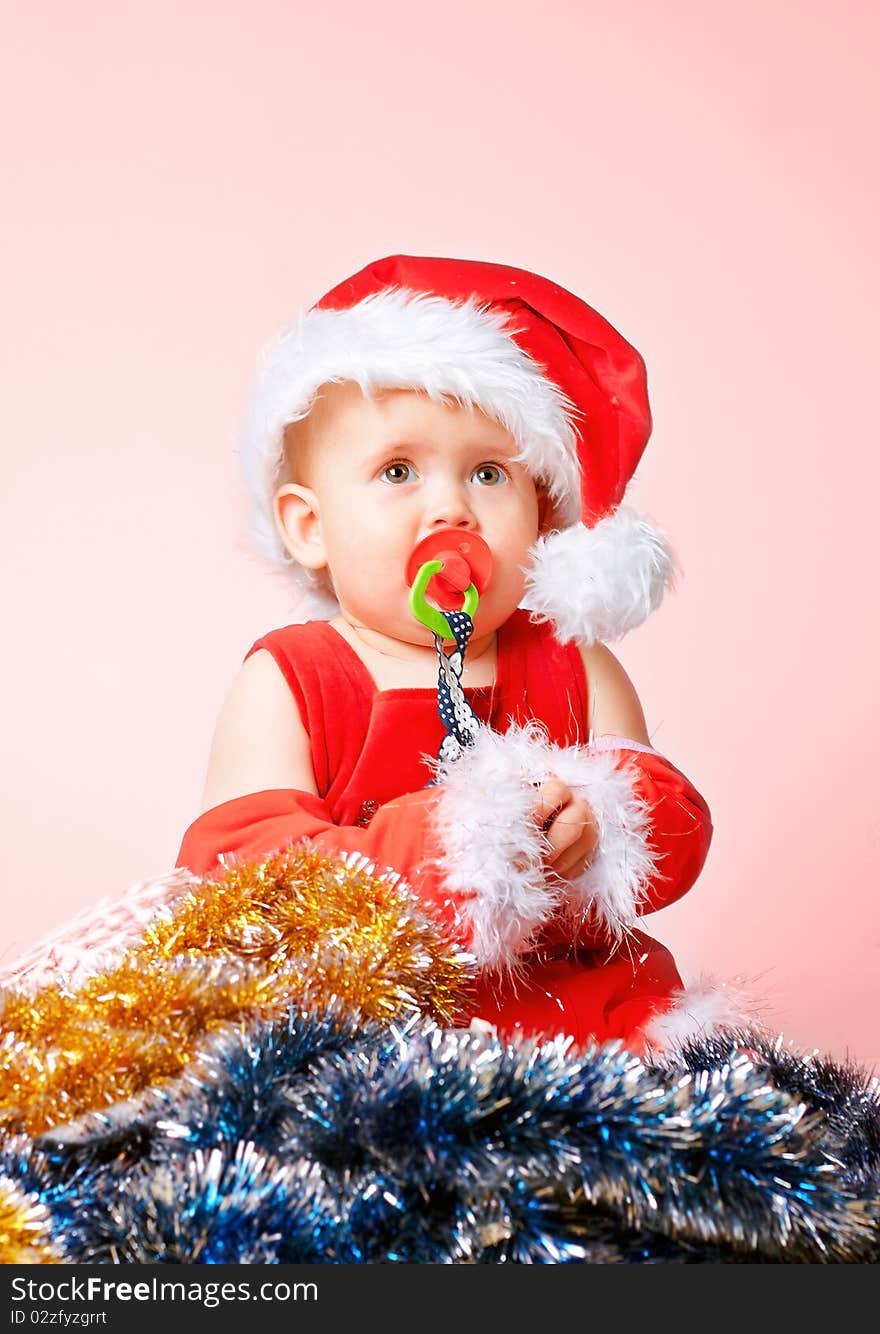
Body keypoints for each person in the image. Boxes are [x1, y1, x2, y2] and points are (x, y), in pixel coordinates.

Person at [175, 254, 725, 1056]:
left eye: (489, 472)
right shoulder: (292, 678)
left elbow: (671, 823)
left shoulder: (574, 660)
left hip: (573, 1015)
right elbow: (236, 878)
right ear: (309, 526)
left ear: (540, 516)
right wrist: (445, 846)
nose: (450, 506)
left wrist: (599, 822)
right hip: (370, 1025)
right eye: (398, 470)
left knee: (679, 1096)